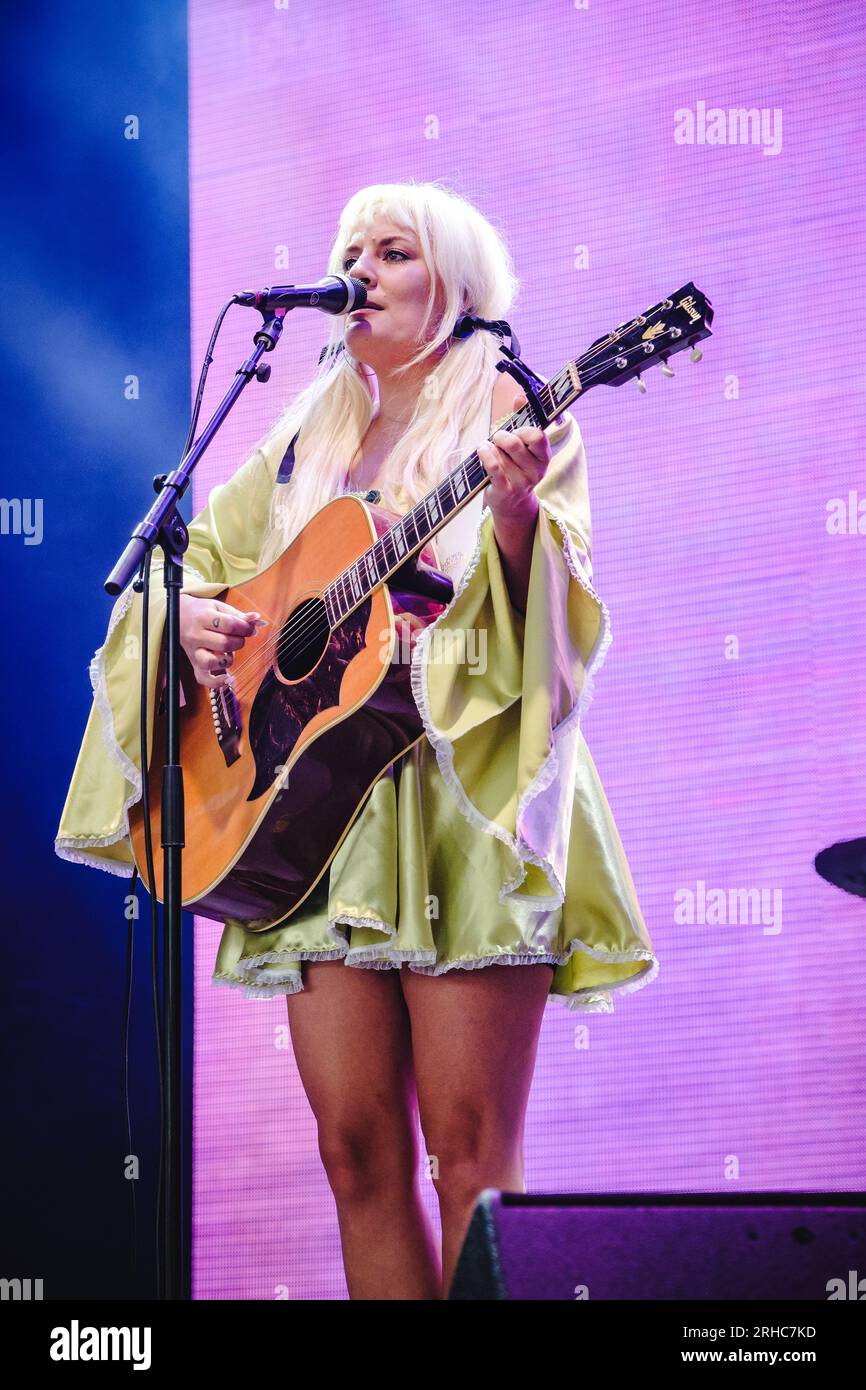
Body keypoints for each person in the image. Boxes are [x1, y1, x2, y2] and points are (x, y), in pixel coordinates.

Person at [56, 179, 658, 1299]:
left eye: (394, 252)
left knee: (469, 1157)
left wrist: (518, 520)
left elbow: (550, 628)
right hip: (315, 815)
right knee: (355, 1155)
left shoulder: (514, 412)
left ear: (458, 284)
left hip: (459, 802)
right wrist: (178, 618)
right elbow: (190, 563)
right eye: (352, 251)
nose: (361, 270)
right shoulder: (303, 431)